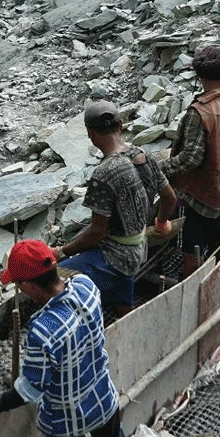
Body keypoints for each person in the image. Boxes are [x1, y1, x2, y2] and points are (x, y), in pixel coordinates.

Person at [0, 240, 134, 437]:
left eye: (18, 284)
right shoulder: (85, 286)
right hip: (102, 398)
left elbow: (31, 389)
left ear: (28, 285)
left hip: (66, 420)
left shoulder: (43, 330)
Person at [52, 101, 172, 314]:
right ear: (120, 125)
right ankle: (125, 310)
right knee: (120, 287)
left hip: (118, 255)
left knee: (59, 278)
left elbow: (98, 232)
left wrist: (61, 252)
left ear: (90, 133)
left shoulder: (104, 173)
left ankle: (76, 321)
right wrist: (161, 222)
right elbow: (169, 198)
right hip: (140, 246)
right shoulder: (143, 155)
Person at [157, 45, 220, 278]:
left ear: (199, 76)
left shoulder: (199, 113)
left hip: (200, 196)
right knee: (219, 240)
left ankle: (189, 288)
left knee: (192, 248)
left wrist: (160, 168)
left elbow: (191, 158)